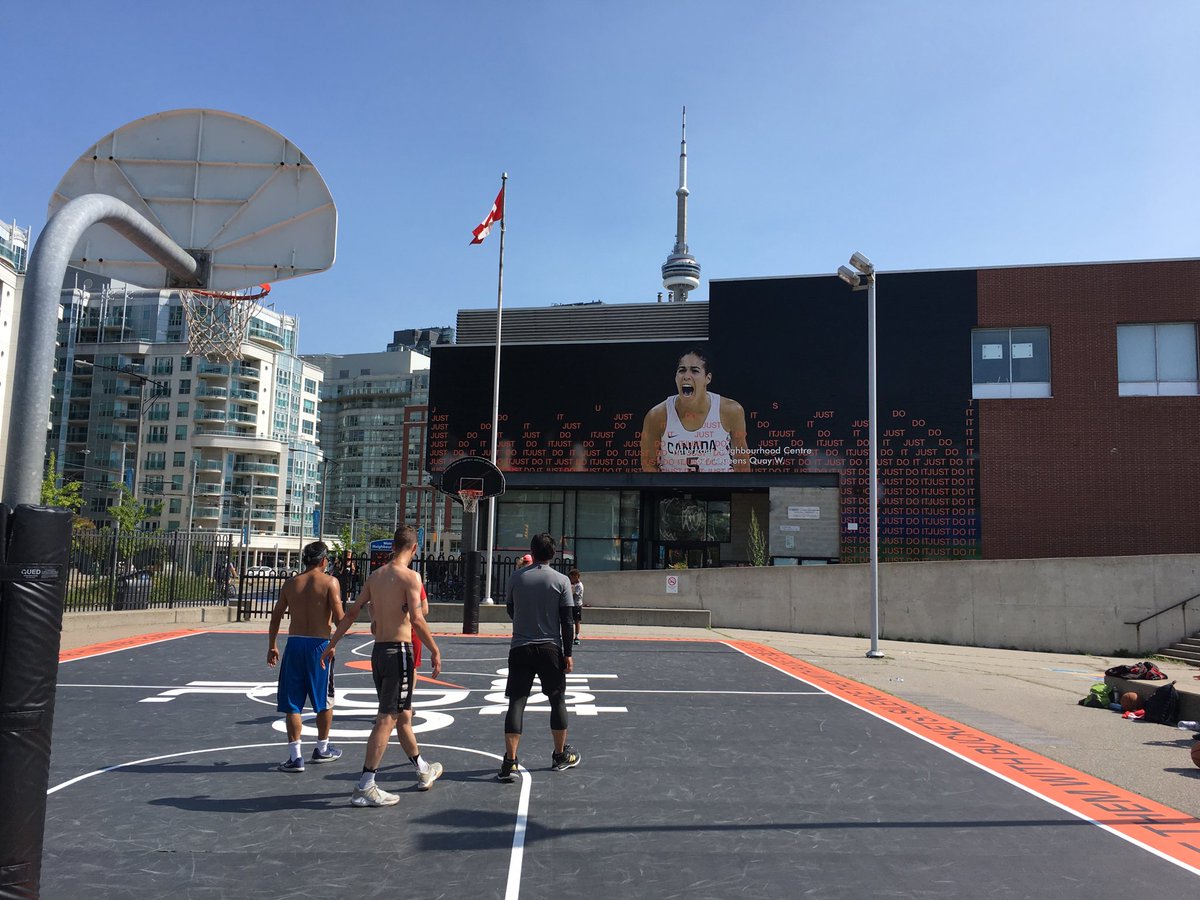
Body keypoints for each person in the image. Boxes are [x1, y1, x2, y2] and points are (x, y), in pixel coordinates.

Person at [321, 525, 443, 808]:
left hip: (379, 653)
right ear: (414, 549)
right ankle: (366, 784)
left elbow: (352, 613)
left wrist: (332, 643)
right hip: (399, 652)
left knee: (401, 716)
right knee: (387, 719)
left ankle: (423, 768)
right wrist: (435, 650)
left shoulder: (375, 576)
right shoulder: (411, 577)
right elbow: (418, 618)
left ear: (393, 547)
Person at [497, 533, 580, 782]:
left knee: (517, 701)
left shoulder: (516, 576)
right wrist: (568, 653)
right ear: (553, 553)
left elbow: (511, 608)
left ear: (531, 552)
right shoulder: (562, 580)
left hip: (520, 647)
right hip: (550, 647)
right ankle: (559, 755)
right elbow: (567, 620)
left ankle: (510, 761)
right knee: (557, 700)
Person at [267, 541, 345, 772]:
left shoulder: (291, 583)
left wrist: (272, 645)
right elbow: (341, 620)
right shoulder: (330, 582)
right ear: (323, 561)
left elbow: (276, 615)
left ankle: (295, 757)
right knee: (324, 699)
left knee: (292, 702)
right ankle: (322, 748)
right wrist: (333, 643)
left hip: (295, 644)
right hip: (319, 646)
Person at [640, 348, 750, 472]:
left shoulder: (731, 410)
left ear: (707, 378)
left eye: (694, 371)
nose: (686, 376)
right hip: (673, 490)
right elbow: (648, 464)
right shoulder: (656, 415)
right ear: (676, 377)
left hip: (719, 489)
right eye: (682, 370)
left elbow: (741, 464)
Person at [568, 569, 584, 645]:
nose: (571, 579)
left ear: (576, 577)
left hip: (577, 605)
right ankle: (569, 636)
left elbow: (574, 594)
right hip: (571, 605)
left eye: (572, 578)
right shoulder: (572, 585)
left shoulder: (579, 585)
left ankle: (577, 636)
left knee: (577, 621)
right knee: (569, 621)